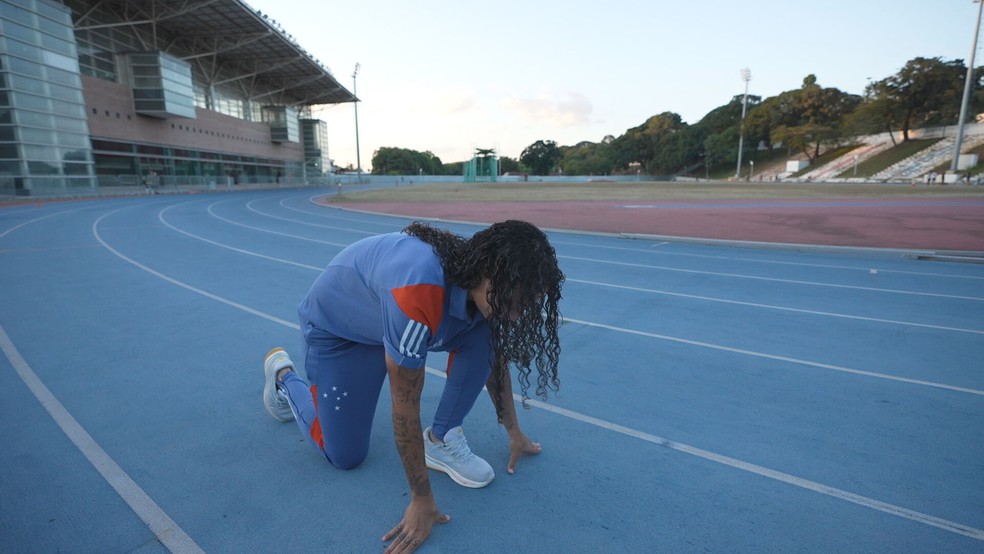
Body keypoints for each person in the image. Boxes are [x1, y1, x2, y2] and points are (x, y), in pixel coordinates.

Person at [262, 220, 564, 553]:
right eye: (514, 301)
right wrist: (422, 499)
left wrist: (514, 432)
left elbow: (494, 360)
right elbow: (404, 404)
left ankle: (441, 439)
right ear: (490, 271)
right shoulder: (419, 288)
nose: (515, 317)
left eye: (524, 305)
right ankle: (284, 377)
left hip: (388, 320)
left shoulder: (482, 283)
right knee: (344, 456)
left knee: (486, 339)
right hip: (340, 333)